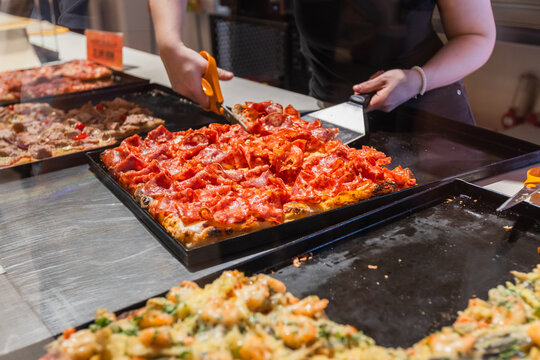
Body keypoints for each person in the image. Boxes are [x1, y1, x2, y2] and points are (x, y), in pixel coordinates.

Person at [149, 0, 496, 125]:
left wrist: (417, 78)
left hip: (428, 112)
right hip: (333, 107)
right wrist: (169, 43)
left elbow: (477, 35)